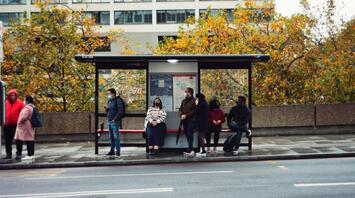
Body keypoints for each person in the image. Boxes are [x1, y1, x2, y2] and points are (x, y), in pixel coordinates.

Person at [3, 89, 24, 159]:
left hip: (17, 124)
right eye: (11, 95)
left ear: (16, 96)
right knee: (7, 140)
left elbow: (23, 113)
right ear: (9, 96)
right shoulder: (5, 103)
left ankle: (19, 153)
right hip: (7, 124)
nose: (12, 97)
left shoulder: (20, 103)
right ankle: (8, 153)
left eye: (14, 95)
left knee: (18, 139)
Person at [14, 96, 36, 161]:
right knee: (30, 139)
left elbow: (24, 117)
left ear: (27, 101)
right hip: (29, 125)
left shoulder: (27, 108)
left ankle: (29, 154)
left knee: (26, 139)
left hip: (25, 126)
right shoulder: (33, 107)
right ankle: (31, 154)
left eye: (24, 100)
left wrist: (19, 121)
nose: (23, 101)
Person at [104, 88, 124, 157]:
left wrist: (115, 119)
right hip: (109, 121)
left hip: (114, 122)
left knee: (116, 137)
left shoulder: (118, 100)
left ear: (113, 94)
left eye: (109, 93)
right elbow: (110, 110)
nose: (108, 95)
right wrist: (107, 109)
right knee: (111, 137)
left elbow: (120, 111)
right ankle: (112, 150)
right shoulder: (110, 101)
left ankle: (117, 152)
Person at [179, 87, 196, 157]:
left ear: (190, 93)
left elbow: (194, 110)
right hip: (184, 121)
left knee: (190, 134)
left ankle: (191, 149)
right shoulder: (183, 101)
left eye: (186, 91)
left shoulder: (195, 100)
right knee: (187, 134)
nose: (185, 93)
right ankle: (190, 149)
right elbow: (180, 109)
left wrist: (186, 115)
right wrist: (181, 115)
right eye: (185, 91)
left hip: (191, 120)